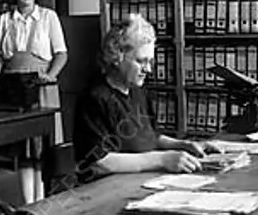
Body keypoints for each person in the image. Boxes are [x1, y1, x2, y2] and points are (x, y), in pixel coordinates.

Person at [73, 13, 218, 181]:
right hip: (108, 188)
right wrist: (162, 159)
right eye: (141, 61)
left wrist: (184, 146)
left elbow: (150, 137)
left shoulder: (137, 91)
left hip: (142, 180)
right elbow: (99, 162)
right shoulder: (94, 98)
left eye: (151, 62)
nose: (148, 69)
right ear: (117, 57)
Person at [0, 0, 68, 201]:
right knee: (23, 150)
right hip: (15, 89)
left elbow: (61, 54)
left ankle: (42, 201)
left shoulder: (48, 17)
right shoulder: (5, 19)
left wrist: (51, 75)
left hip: (42, 87)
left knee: (41, 148)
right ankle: (28, 204)